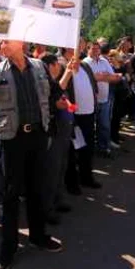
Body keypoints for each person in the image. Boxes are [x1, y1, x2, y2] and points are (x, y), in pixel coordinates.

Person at [0, 40, 63, 269]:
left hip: (38, 136)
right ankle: (8, 248)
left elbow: (54, 92)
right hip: (12, 139)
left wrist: (68, 73)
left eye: (6, 40)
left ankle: (38, 236)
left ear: (19, 42)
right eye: (0, 42)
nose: (2, 44)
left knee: (37, 188)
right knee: (11, 193)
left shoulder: (39, 67)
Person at [60, 47, 101, 192]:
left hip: (88, 115)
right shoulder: (62, 66)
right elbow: (61, 91)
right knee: (72, 151)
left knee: (88, 148)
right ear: (67, 50)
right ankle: (72, 184)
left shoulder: (84, 65)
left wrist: (94, 98)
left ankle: (87, 178)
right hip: (74, 117)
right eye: (75, 47)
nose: (79, 50)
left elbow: (93, 84)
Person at [40, 54, 74, 225]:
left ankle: (58, 199)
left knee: (61, 167)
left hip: (62, 131)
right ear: (51, 66)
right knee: (51, 171)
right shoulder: (43, 82)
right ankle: (47, 209)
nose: (60, 66)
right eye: (58, 64)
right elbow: (48, 102)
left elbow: (59, 93)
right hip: (52, 132)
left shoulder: (54, 81)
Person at [83, 42, 122, 157]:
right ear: (88, 50)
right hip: (91, 101)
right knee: (90, 127)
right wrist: (103, 77)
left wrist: (101, 77)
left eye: (97, 49)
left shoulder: (104, 61)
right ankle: (88, 150)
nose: (95, 51)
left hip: (104, 99)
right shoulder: (85, 63)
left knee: (104, 125)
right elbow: (89, 79)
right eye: (93, 49)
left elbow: (115, 77)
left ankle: (104, 148)